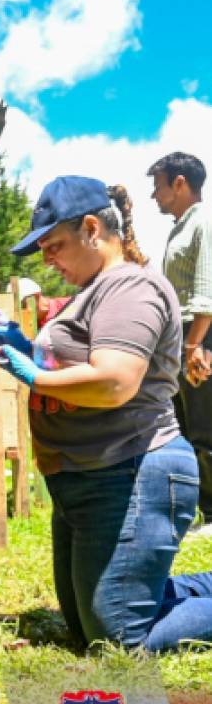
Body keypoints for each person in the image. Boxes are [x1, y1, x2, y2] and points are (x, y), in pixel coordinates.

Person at [0, 175, 212, 651]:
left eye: (54, 245)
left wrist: (31, 373)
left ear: (91, 229)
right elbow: (72, 360)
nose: (48, 259)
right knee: (87, 630)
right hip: (88, 477)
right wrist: (20, 344)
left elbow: (114, 380)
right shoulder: (93, 291)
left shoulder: (130, 287)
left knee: (119, 639)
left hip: (131, 472)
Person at [148, 152, 212, 525]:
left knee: (205, 428)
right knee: (184, 426)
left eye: (158, 186)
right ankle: (197, 511)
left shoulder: (203, 221)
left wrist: (194, 346)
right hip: (185, 336)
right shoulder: (180, 226)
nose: (155, 196)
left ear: (180, 183)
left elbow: (206, 291)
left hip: (200, 335)